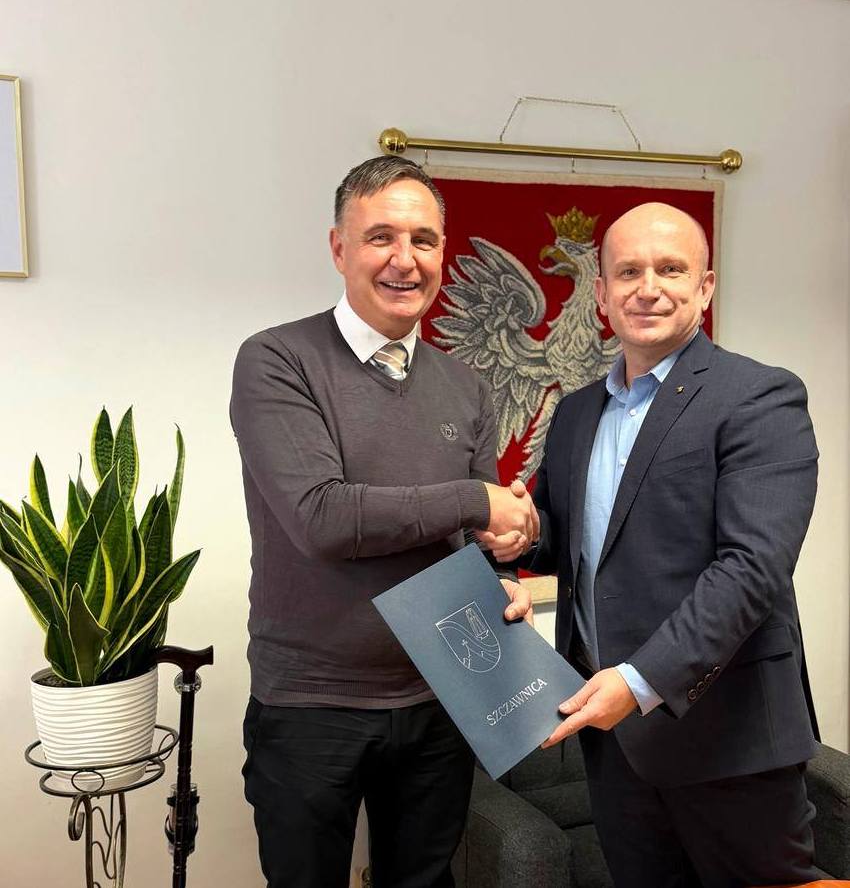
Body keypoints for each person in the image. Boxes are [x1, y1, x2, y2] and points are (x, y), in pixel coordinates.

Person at [485, 202, 820, 888]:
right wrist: (520, 539)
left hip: (728, 742)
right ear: (602, 293)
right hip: (615, 747)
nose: (649, 288)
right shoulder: (577, 411)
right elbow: (565, 548)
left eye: (671, 269)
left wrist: (639, 682)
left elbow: (752, 570)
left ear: (705, 286)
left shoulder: (759, 397)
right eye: (629, 271)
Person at [230, 155, 537, 888]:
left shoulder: (466, 385)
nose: (406, 259)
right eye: (381, 237)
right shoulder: (277, 360)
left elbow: (468, 535)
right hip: (312, 703)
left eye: (424, 240)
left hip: (441, 694)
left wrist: (503, 559)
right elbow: (323, 517)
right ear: (339, 249)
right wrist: (478, 504)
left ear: (443, 252)